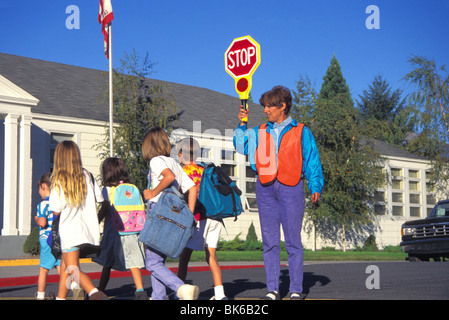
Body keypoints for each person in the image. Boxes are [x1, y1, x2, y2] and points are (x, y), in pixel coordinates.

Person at [233, 85, 324, 300]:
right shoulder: (258, 131)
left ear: (282, 106)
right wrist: (242, 123)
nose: (265, 110)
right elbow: (239, 145)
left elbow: (312, 160)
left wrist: (315, 186)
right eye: (264, 106)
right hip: (264, 188)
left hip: (291, 187)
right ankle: (272, 289)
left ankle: (295, 289)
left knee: (292, 241)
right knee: (269, 242)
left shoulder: (301, 130)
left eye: (269, 106)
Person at [141, 127, 199, 300]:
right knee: (157, 261)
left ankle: (181, 288)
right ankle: (159, 297)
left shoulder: (156, 161)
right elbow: (193, 188)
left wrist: (152, 193)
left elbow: (168, 177)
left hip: (159, 213)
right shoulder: (174, 162)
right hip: (174, 215)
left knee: (151, 262)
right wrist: (189, 214)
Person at [48, 140, 108, 300]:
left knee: (73, 268)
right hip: (88, 231)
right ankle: (60, 298)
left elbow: (55, 209)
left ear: (59, 157)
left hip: (69, 232)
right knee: (66, 267)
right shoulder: (87, 175)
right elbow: (100, 199)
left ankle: (94, 293)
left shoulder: (59, 180)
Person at [175, 138, 228, 300]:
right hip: (214, 217)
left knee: (184, 257)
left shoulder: (183, 172)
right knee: (211, 256)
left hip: (197, 218)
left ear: (180, 154)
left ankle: (180, 293)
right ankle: (220, 294)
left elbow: (180, 195)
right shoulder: (205, 170)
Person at [93, 157, 148, 300]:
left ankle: (100, 290)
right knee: (133, 259)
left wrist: (96, 221)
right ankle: (140, 289)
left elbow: (105, 209)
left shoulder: (108, 190)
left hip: (113, 231)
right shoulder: (131, 187)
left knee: (107, 262)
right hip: (131, 230)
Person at [34, 172, 61, 300]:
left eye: (39, 188)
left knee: (44, 270)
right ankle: (71, 288)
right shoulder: (58, 203)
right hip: (58, 239)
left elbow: (43, 222)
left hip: (46, 240)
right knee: (62, 268)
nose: (39, 191)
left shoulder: (43, 205)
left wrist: (37, 219)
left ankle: (40, 295)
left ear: (43, 186)